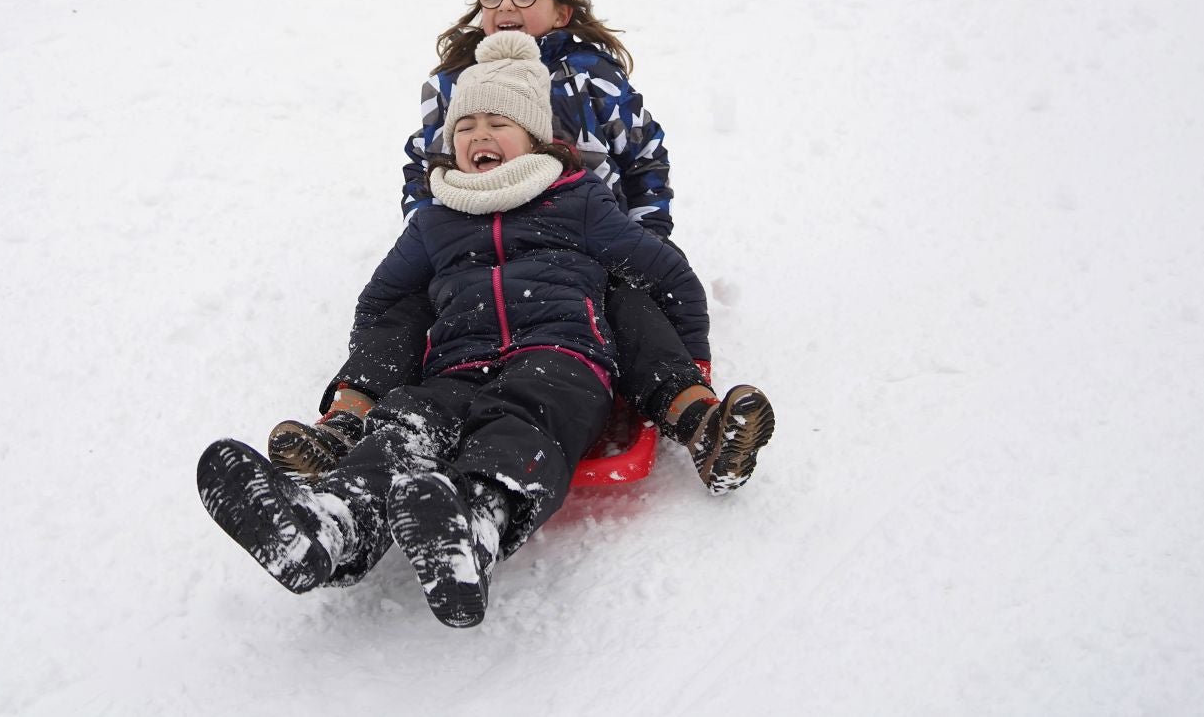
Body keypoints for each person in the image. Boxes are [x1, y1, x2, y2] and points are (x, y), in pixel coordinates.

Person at [197, 33, 774, 628]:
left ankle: (475, 522)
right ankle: (333, 526)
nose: (478, 135)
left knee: (525, 418)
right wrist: (372, 376)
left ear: (534, 136)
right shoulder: (436, 220)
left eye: (497, 121)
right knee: (406, 425)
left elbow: (665, 274)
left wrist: (692, 368)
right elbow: (387, 299)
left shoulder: (576, 202)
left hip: (562, 355)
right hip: (457, 365)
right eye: (465, 125)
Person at [267, 0, 767, 493]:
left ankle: (694, 413)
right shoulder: (455, 82)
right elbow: (421, 158)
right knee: (409, 309)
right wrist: (433, 228)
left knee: (625, 304)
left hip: (580, 242)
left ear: (561, 11)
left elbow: (644, 156)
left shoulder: (592, 79)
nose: (508, 5)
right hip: (468, 238)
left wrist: (646, 230)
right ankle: (349, 422)